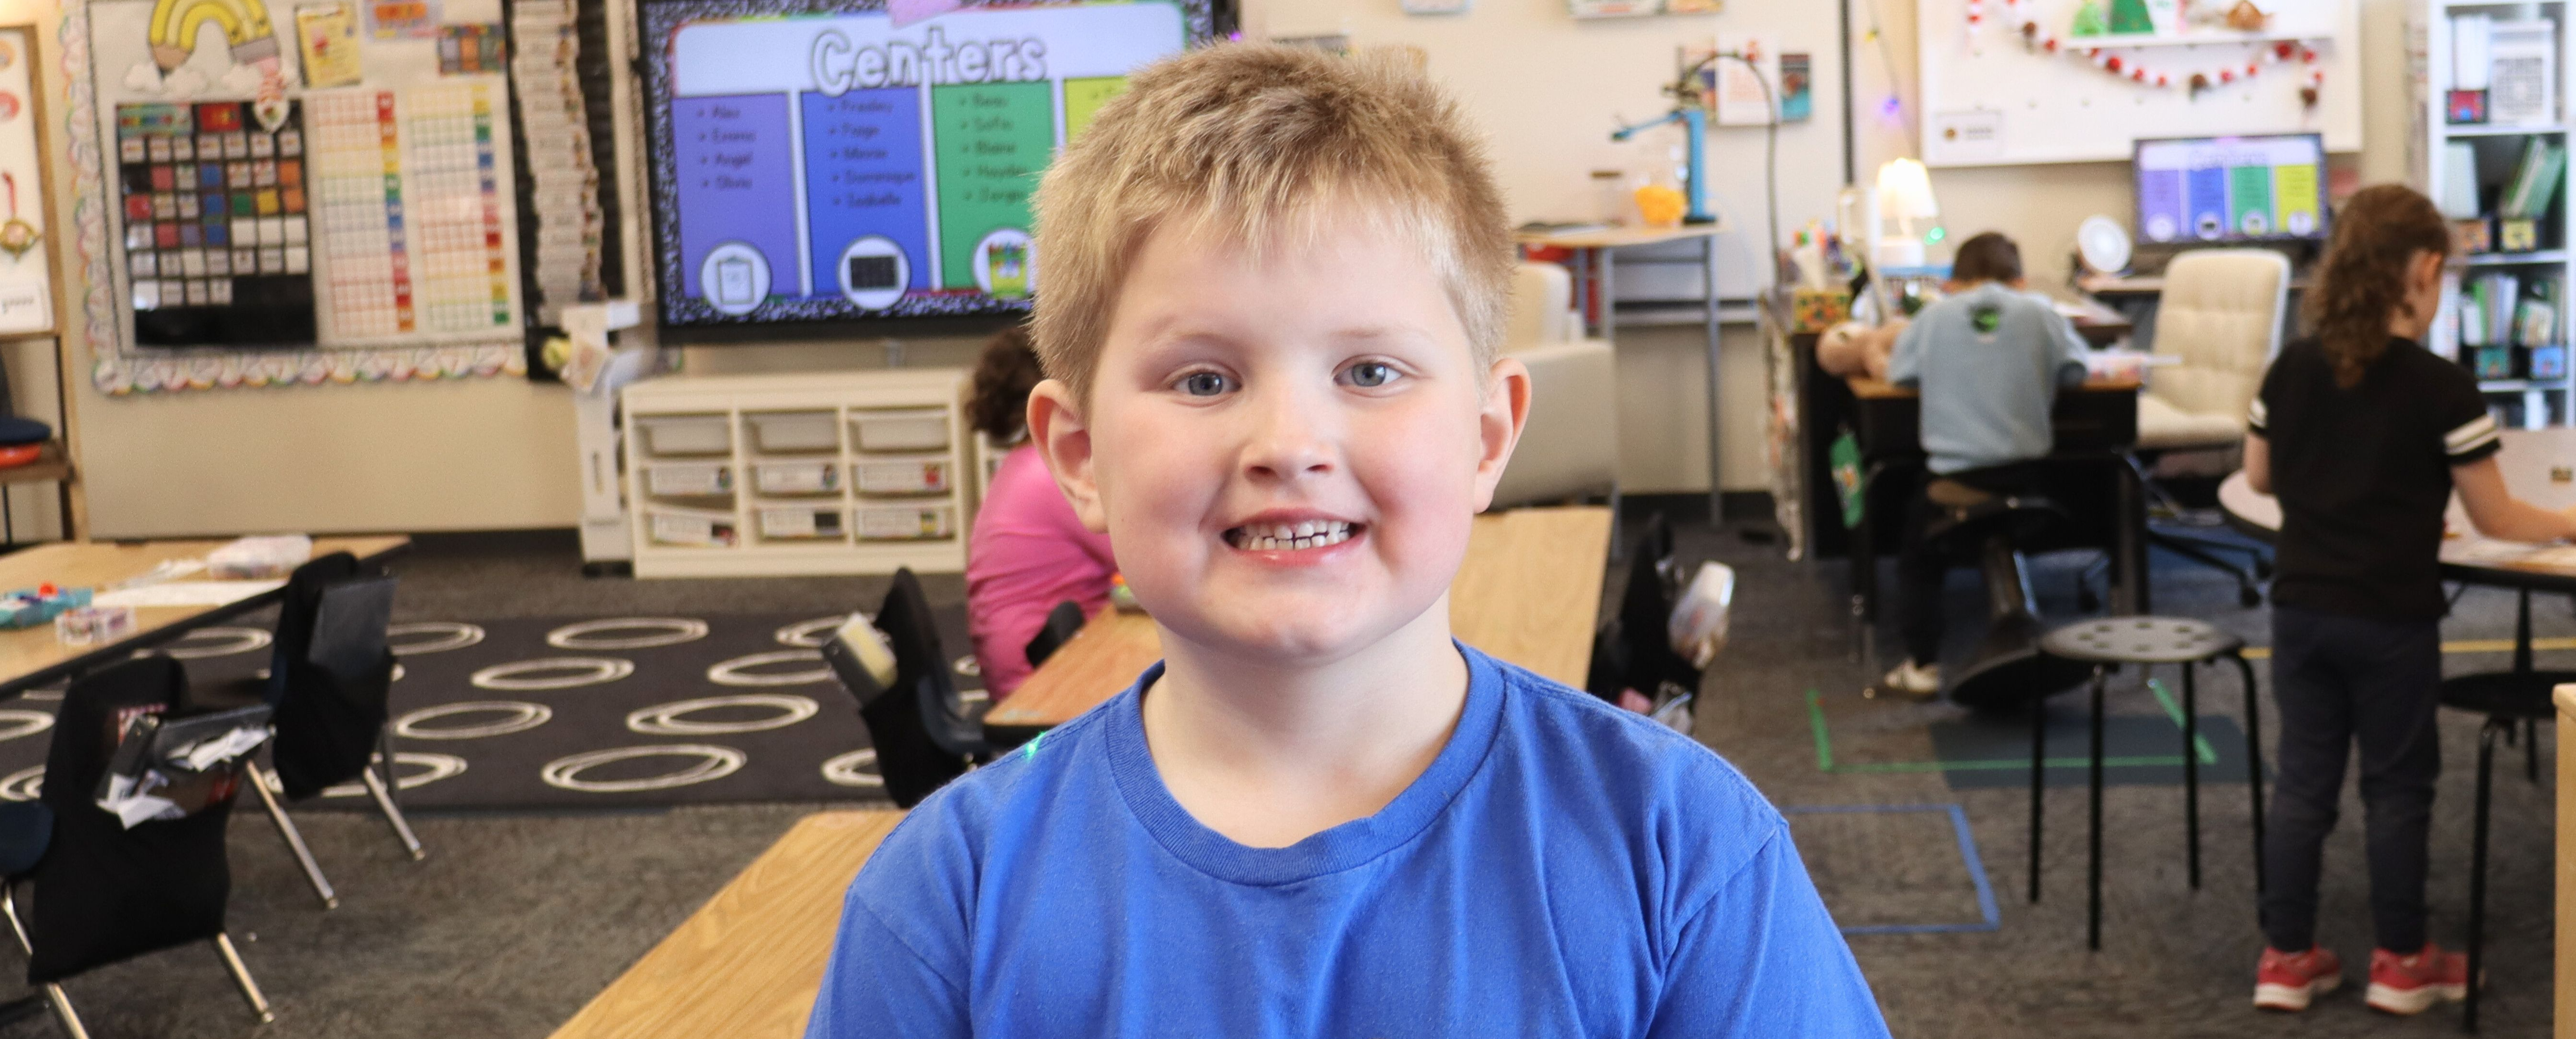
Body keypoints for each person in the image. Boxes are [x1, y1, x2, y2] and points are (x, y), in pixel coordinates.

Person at [806, 44, 1887, 1037]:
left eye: (1369, 372)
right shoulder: (949, 897)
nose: (1289, 442)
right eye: (1204, 379)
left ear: (1485, 435)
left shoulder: (1680, 847)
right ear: (1080, 456)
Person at [2241, 184, 2576, 1015]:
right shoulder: (2440, 385)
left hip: (2299, 613)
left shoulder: (2291, 366)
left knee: (2302, 786)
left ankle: (2285, 956)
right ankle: (2402, 960)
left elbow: (2261, 475)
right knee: (2396, 790)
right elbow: (2495, 516)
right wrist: (2573, 522)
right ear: (2427, 271)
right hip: (2390, 620)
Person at [1873, 231, 2090, 699]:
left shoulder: (1934, 318)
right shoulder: (2040, 311)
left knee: (1916, 559)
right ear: (2021, 279)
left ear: (1953, 282)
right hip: (2030, 478)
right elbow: (2077, 370)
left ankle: (1924, 665)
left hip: (1955, 482)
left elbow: (1900, 374)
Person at [961, 326, 1118, 698]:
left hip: (1030, 666)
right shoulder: (1048, 476)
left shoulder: (1022, 465)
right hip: (1040, 685)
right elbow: (1144, 560)